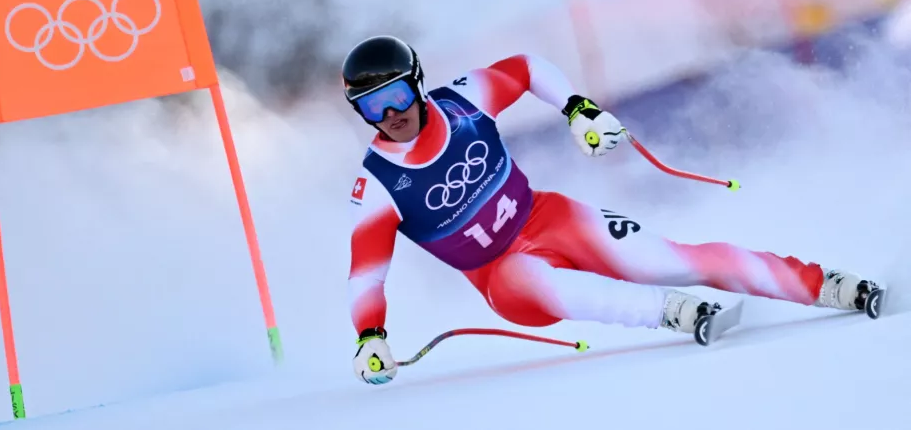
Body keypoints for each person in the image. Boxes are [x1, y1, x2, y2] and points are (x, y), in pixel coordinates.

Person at [343, 35, 880, 385]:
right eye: (370, 107)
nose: (388, 115)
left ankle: (825, 285)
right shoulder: (378, 185)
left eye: (393, 96)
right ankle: (674, 312)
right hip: (501, 276)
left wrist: (579, 110)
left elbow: (528, 67)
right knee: (538, 279)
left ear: (415, 83)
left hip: (548, 217)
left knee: (672, 258)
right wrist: (371, 338)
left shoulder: (464, 99)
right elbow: (366, 276)